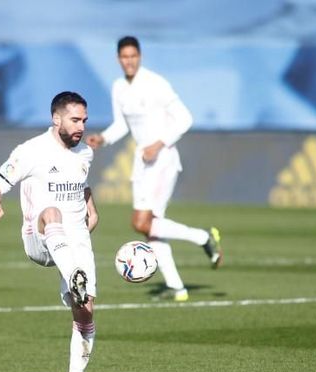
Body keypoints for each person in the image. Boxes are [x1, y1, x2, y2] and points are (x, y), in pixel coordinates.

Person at [0, 91, 97, 372]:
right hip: (40, 237)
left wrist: (92, 206)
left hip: (76, 241)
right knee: (51, 212)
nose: (81, 127)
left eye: (84, 121)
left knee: (85, 313)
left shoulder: (85, 153)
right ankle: (74, 274)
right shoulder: (31, 151)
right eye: (75, 120)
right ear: (56, 118)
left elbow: (80, 182)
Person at [86, 36, 222, 302]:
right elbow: (122, 125)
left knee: (141, 222)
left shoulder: (156, 83)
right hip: (142, 160)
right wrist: (103, 138)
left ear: (140, 56)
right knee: (150, 227)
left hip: (163, 158)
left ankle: (202, 237)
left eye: (133, 56)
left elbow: (185, 118)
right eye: (124, 57)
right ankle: (177, 288)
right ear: (118, 59)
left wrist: (159, 144)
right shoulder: (118, 87)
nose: (129, 61)